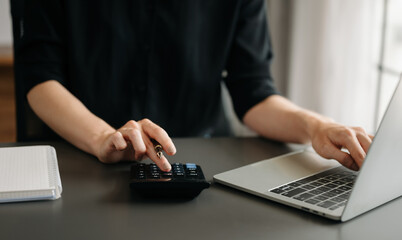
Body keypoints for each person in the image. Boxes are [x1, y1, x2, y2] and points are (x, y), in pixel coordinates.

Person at [11, 0, 372, 172]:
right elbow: (40, 78)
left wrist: (316, 127)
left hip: (197, 164)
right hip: (82, 159)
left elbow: (254, 91)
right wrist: (104, 137)